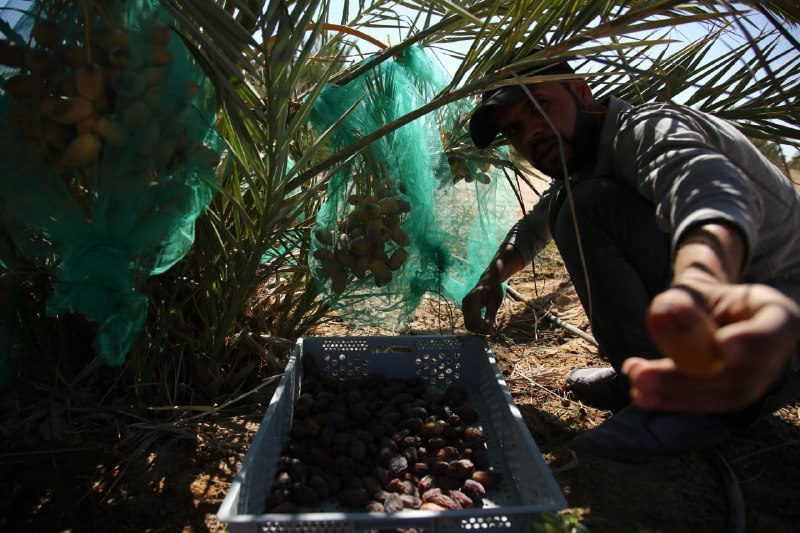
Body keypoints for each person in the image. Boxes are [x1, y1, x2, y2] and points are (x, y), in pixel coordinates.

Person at [462, 51, 800, 461]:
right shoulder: (581, 160)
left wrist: (700, 281)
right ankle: (642, 378)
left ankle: (686, 404)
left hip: (769, 333)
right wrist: (491, 279)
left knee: (586, 208)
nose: (530, 133)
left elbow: (710, 191)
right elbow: (534, 228)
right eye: (514, 129)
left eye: (539, 106)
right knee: (568, 205)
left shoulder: (647, 128)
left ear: (582, 92)